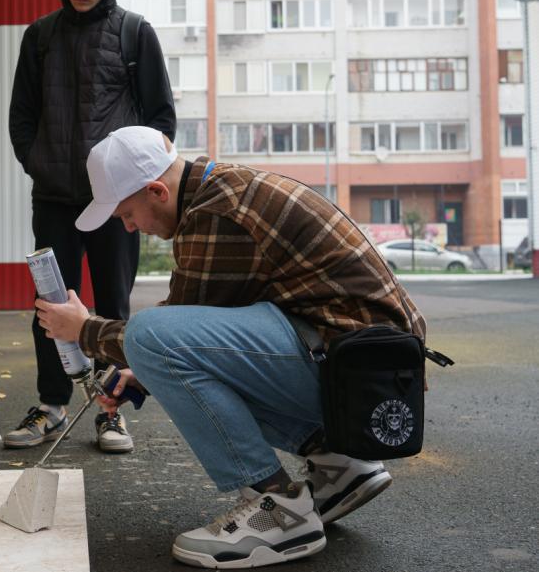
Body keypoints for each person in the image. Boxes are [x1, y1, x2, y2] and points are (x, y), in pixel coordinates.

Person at [36, 126, 427, 568]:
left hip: (363, 377)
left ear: (157, 190)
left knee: (148, 336)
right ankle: (339, 465)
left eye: (127, 214)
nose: (129, 227)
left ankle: (276, 506)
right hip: (366, 372)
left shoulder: (219, 211)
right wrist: (140, 368)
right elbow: (191, 327)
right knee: (155, 344)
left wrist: (85, 329)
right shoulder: (218, 191)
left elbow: (162, 335)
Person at [6, 0, 176, 453]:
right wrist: (41, 164)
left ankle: (110, 413)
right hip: (55, 196)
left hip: (119, 202)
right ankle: (52, 406)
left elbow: (161, 119)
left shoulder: (135, 33)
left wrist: (136, 185)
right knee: (49, 302)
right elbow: (22, 117)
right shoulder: (40, 37)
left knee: (111, 303)